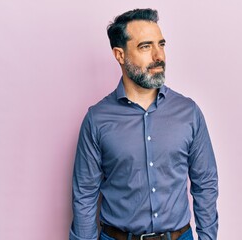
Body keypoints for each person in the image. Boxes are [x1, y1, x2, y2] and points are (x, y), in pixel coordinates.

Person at [69, 8, 218, 240]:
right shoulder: (97, 119)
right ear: (120, 55)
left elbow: (205, 183)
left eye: (161, 44)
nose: (159, 56)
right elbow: (85, 195)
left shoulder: (188, 112)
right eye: (145, 47)